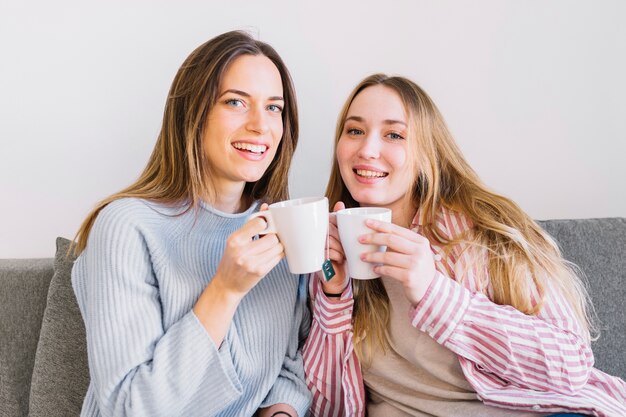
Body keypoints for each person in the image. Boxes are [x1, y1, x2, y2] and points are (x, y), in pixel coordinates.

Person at [303, 74, 626, 417]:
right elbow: (333, 410)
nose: (367, 150)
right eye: (354, 130)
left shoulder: (483, 232)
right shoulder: (327, 249)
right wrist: (334, 297)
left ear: (427, 152)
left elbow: (570, 366)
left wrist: (434, 292)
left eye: (394, 134)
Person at [71, 31, 312, 417]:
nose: (260, 125)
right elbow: (129, 407)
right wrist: (224, 290)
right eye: (235, 102)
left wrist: (282, 410)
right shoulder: (126, 227)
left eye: (274, 108)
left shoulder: (280, 225)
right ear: (193, 113)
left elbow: (286, 364)